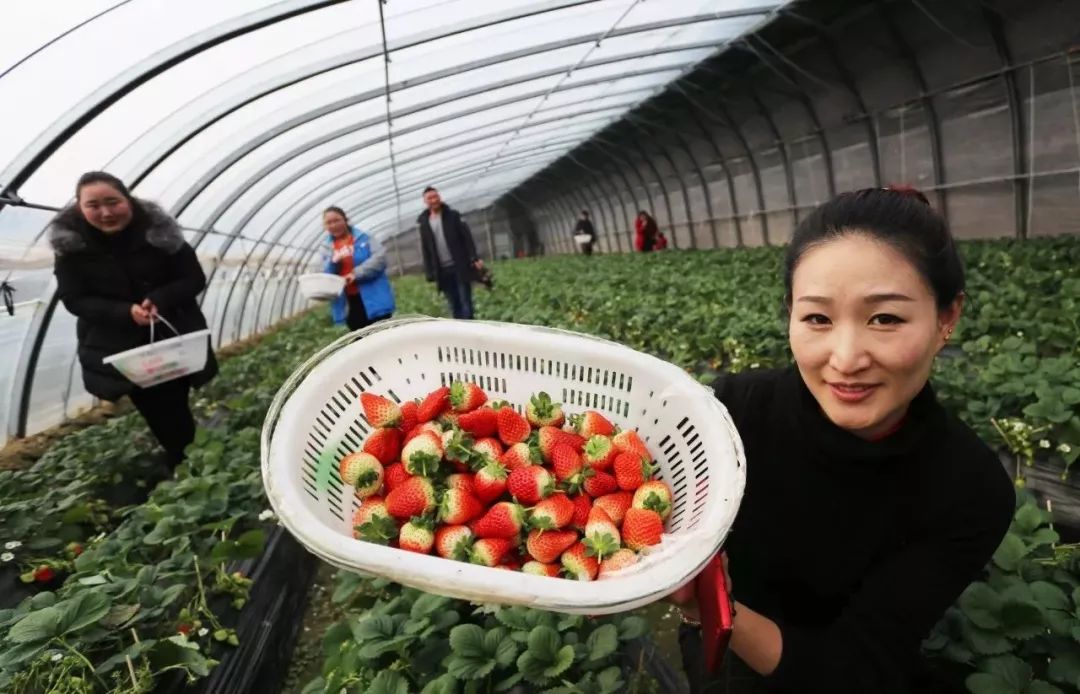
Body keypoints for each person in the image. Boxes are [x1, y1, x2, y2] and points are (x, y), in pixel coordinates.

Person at [670, 186, 1014, 693]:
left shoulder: (970, 489)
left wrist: (714, 608)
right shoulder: (734, 413)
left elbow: (855, 667)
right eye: (817, 318)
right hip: (728, 653)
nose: (847, 358)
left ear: (947, 318)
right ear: (790, 312)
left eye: (885, 318)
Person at [49, 171, 218, 467]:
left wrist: (161, 299)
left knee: (174, 401)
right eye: (94, 205)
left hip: (171, 336)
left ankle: (188, 459)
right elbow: (74, 299)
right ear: (79, 207)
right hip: (122, 346)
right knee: (156, 404)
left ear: (127, 198)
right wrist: (124, 312)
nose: (105, 212)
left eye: (113, 201)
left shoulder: (160, 233)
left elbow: (193, 278)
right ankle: (186, 460)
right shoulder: (71, 248)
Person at [321, 206, 395, 331]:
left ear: (345, 219)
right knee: (360, 338)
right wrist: (333, 262)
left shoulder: (363, 238)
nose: (333, 225)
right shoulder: (326, 247)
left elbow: (380, 258)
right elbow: (327, 275)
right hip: (349, 301)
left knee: (383, 335)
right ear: (325, 226)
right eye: (329, 222)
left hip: (374, 295)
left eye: (337, 220)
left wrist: (355, 274)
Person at [417, 186, 484, 320]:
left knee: (466, 300)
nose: (434, 200)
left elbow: (467, 238)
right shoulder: (424, 223)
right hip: (442, 270)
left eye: (435, 197)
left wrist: (474, 258)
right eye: (430, 198)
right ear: (425, 202)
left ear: (439, 198)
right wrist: (429, 271)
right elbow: (426, 248)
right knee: (454, 303)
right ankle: (460, 331)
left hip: (460, 265)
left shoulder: (453, 216)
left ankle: (471, 328)